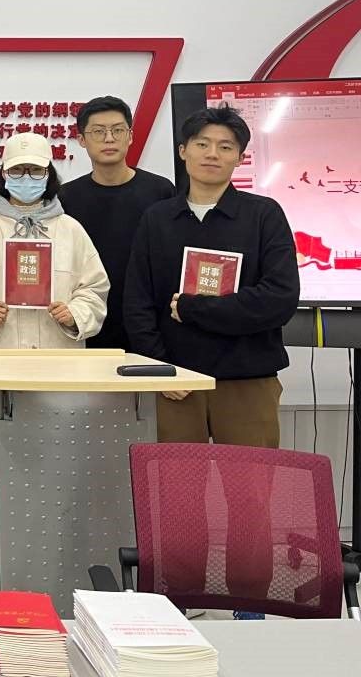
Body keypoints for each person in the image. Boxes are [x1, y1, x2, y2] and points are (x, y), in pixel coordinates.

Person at [123, 105, 299, 616]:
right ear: (183, 151)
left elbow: (279, 299)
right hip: (177, 382)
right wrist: (161, 370)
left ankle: (250, 601)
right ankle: (179, 597)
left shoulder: (263, 215)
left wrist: (196, 308)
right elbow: (138, 303)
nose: (212, 154)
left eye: (226, 147)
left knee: (251, 494)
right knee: (178, 496)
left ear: (240, 158)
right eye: (202, 144)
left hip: (247, 379)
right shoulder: (158, 219)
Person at [0, 132, 109, 352]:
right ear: (4, 175)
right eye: (17, 170)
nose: (26, 177)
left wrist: (75, 315)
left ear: (49, 175)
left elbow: (95, 288)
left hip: (58, 357)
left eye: (36, 170)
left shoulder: (71, 230)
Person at [59, 96, 175, 351]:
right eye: (98, 131)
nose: (109, 139)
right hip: (87, 319)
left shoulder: (161, 191)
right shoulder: (66, 197)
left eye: (117, 130)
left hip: (150, 320)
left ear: (130, 136)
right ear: (81, 139)